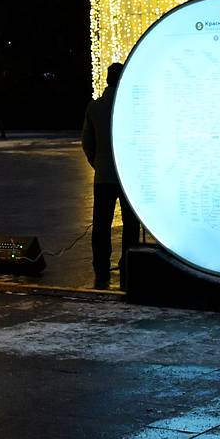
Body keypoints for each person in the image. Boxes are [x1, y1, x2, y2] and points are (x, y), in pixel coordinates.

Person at [81, 62, 139, 288]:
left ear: (106, 80)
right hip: (128, 178)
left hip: (103, 176)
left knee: (101, 224)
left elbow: (87, 143)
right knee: (130, 225)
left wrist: (98, 164)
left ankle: (101, 266)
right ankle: (129, 263)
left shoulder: (95, 107)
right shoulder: (131, 108)